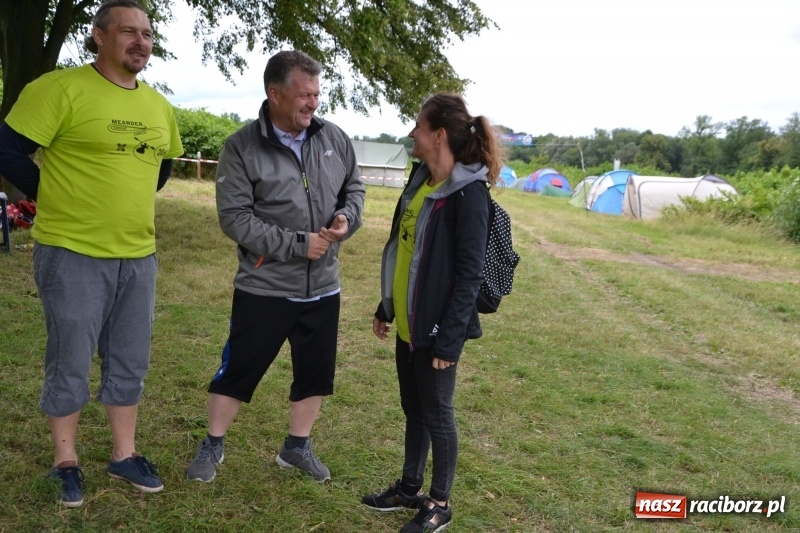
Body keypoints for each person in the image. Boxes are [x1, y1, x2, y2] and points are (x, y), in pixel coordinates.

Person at [0, 0, 183, 508]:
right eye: (129, 32)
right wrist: (50, 191)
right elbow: (7, 147)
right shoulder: (60, 89)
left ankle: (124, 455)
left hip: (138, 255)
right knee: (71, 359)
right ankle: (65, 461)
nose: (141, 42)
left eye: (147, 34)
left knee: (130, 358)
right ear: (98, 36)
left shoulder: (157, 105)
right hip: (72, 252)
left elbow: (162, 166)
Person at [185, 50, 364, 484]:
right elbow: (236, 219)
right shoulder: (241, 147)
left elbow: (353, 189)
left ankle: (296, 448)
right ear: (275, 93)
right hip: (264, 286)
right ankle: (212, 443)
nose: (313, 103)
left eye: (317, 94)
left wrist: (346, 219)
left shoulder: (334, 138)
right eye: (304, 95)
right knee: (239, 367)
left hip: (323, 287)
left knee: (315, 373)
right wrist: (299, 245)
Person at [362, 93, 502, 532]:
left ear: (438, 135)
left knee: (438, 414)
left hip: (438, 328)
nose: (411, 134)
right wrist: (387, 304)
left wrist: (450, 337)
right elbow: (405, 251)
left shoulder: (470, 197)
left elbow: (468, 276)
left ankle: (439, 503)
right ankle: (408, 489)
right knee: (414, 407)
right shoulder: (421, 181)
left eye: (417, 127)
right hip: (407, 319)